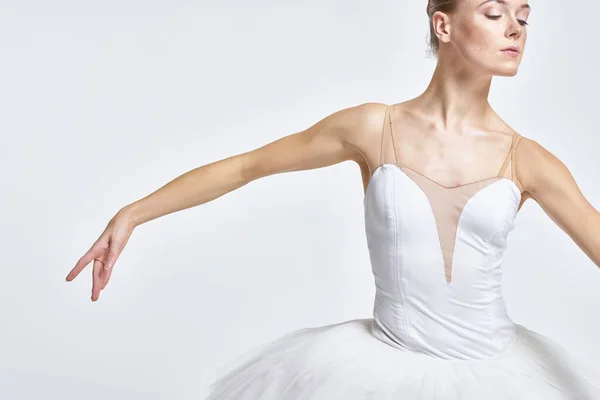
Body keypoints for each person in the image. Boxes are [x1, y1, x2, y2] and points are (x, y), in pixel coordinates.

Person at [66, 0, 600, 398]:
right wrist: (133, 213)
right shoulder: (373, 127)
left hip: (499, 376)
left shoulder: (528, 159)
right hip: (378, 367)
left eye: (524, 18)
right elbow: (248, 166)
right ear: (443, 25)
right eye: (494, 13)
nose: (516, 29)